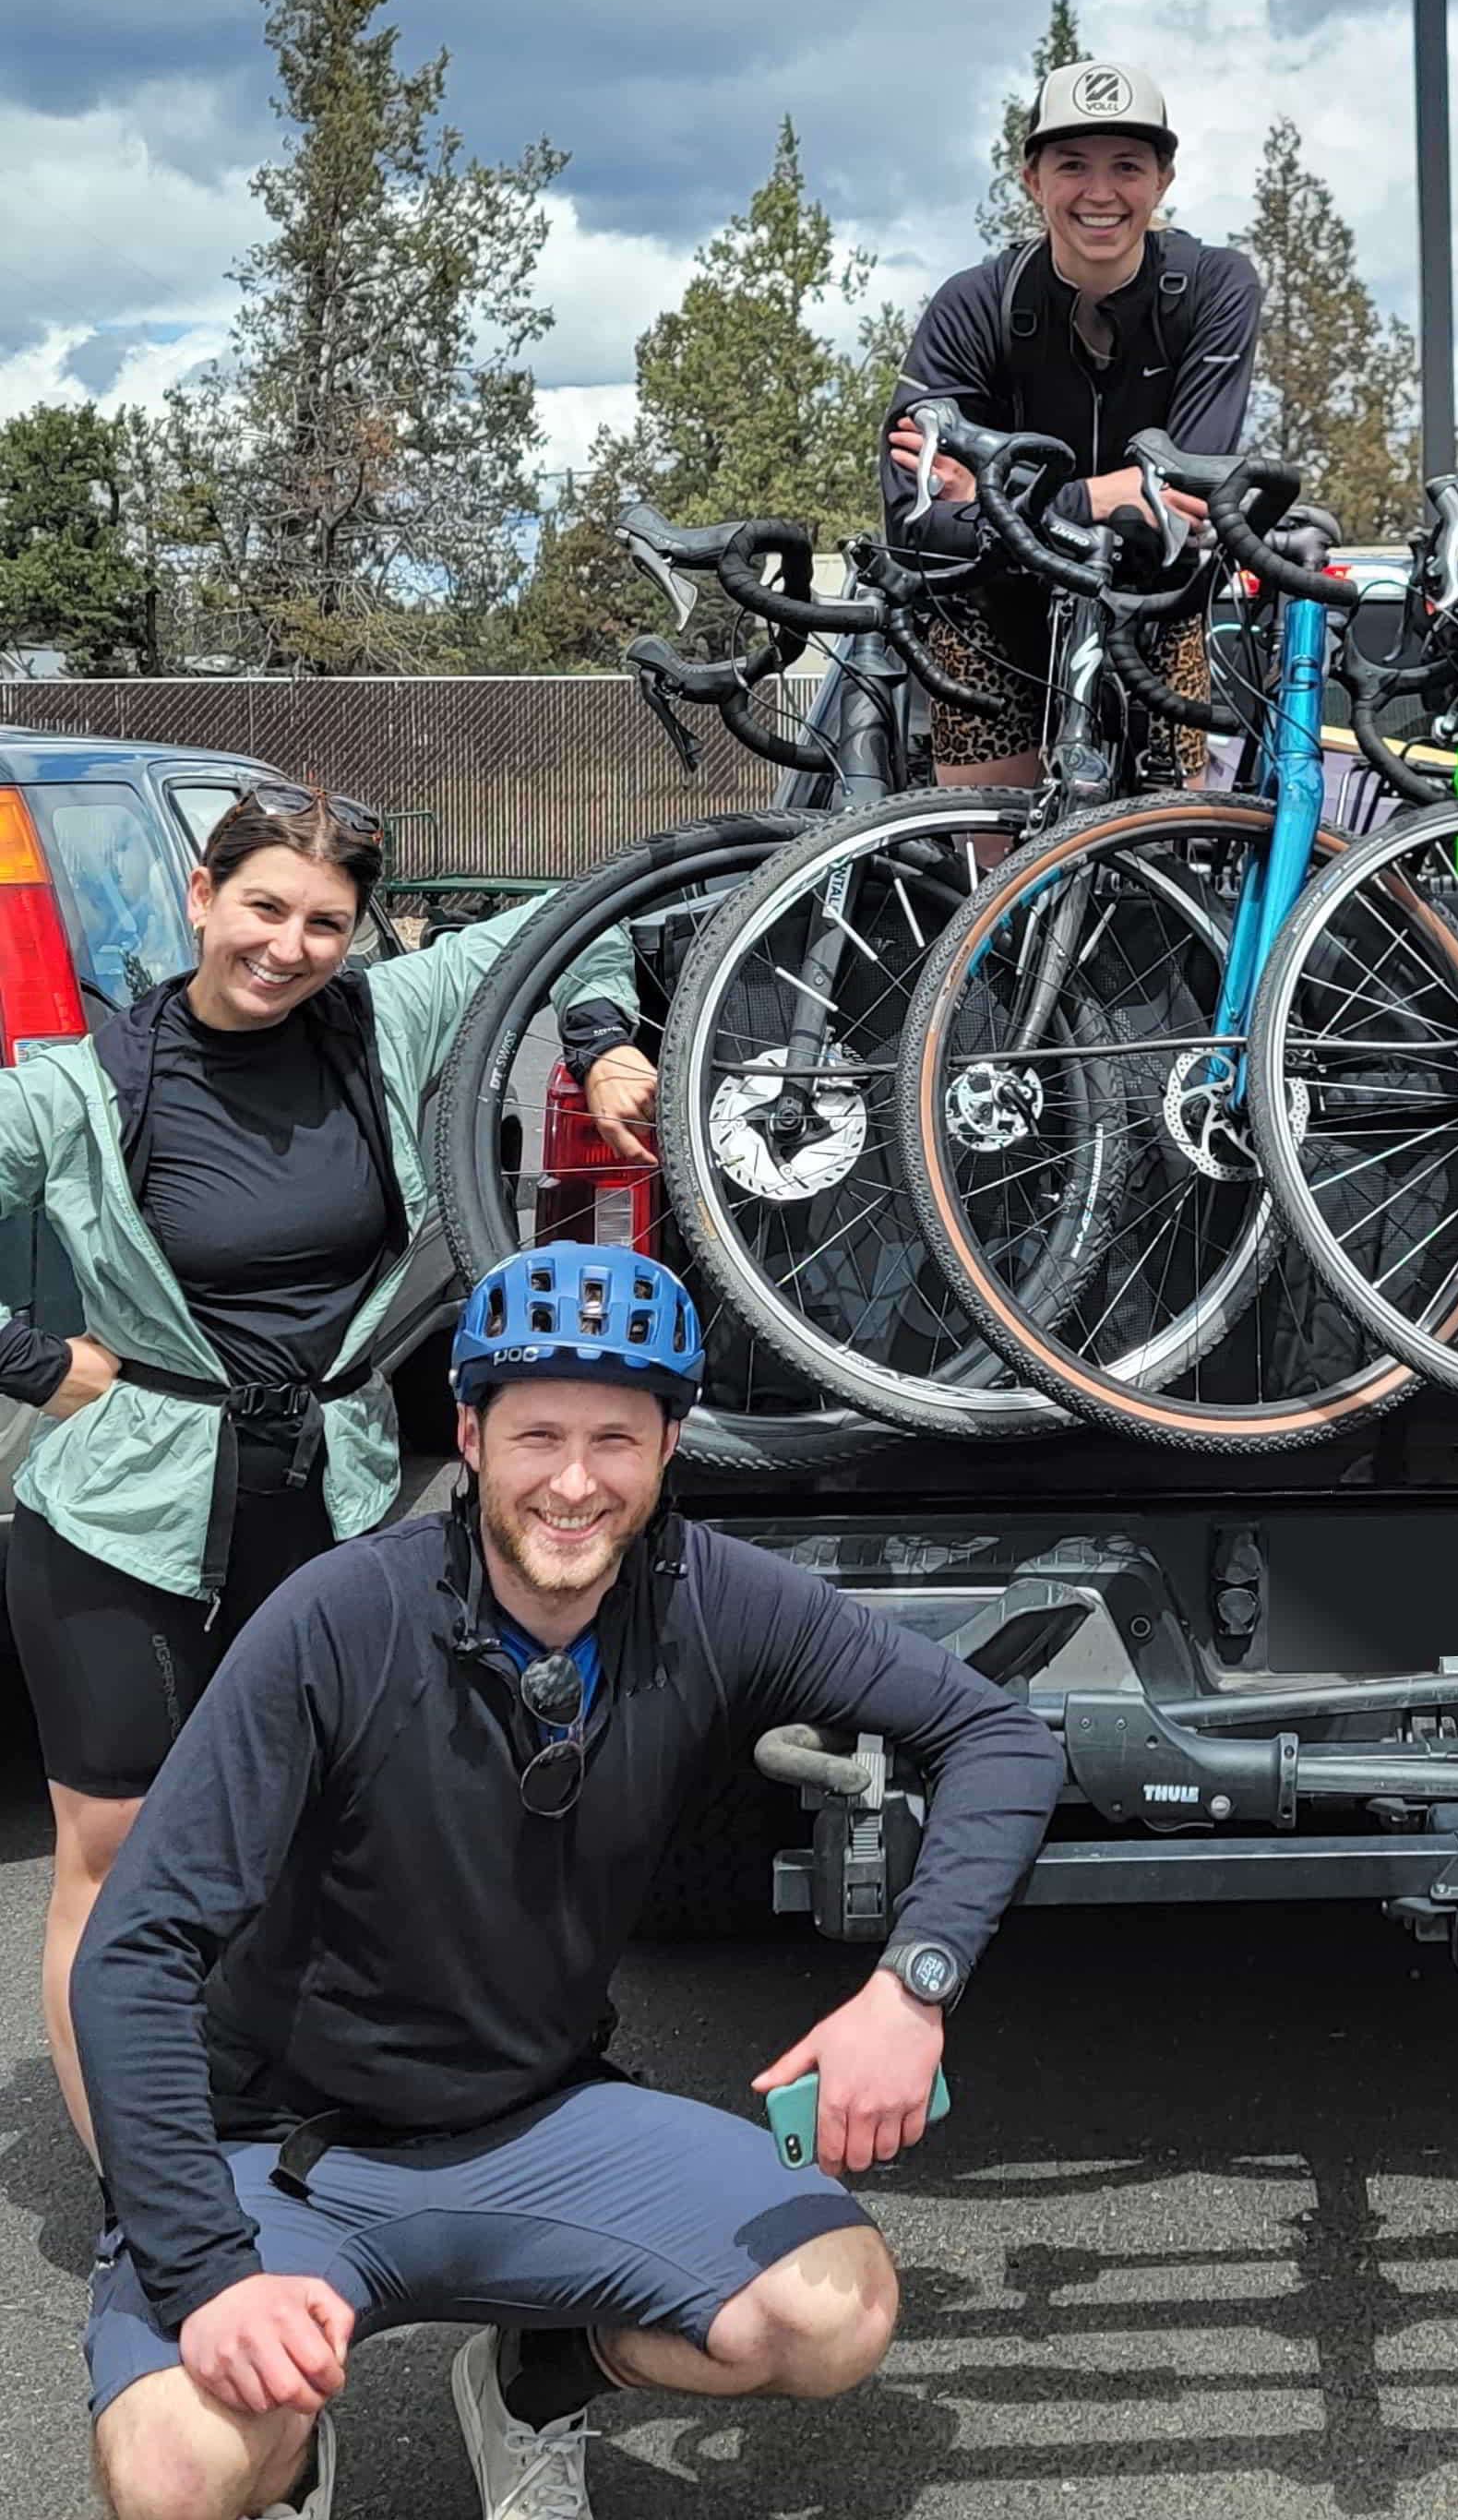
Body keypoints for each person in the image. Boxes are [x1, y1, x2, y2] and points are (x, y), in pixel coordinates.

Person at [73, 1245, 1064, 2520]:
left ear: (672, 1445)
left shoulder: (712, 1598)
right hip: (285, 2149)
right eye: (539, 1434)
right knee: (176, 2471)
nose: (577, 1483)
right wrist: (210, 2275)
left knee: (833, 2315)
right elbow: (136, 1948)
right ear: (473, 1435)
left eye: (618, 1438)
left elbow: (999, 1737)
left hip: (539, 2122)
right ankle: (287, 2462)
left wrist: (910, 1988)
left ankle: (538, 2377)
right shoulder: (338, 1621)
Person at [0, 783, 658, 2153]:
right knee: (118, 1859)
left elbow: (579, 912)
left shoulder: (382, 1020)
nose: (289, 946)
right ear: (200, 899)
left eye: (325, 923)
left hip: (331, 1496)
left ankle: (277, 2110)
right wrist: (24, 1359)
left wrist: (599, 1046)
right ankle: (143, 2181)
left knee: (313, 1828)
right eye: (262, 909)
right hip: (124, 1521)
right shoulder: (80, 1085)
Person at [878, 55, 1261, 791]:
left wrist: (993, 497)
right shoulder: (972, 306)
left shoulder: (1216, 286)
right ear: (1033, 180)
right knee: (985, 877)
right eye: (1072, 165)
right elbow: (916, 522)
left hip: (1152, 606)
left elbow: (1179, 502)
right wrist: (1091, 498)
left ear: (1163, 181)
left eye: (1126, 166)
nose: (1100, 192)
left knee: (1163, 868)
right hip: (991, 607)